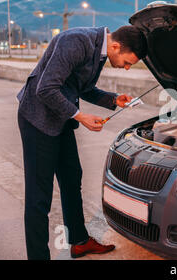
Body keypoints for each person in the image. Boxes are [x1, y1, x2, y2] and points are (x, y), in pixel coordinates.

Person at [16, 25, 147, 260]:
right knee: (39, 197)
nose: (127, 68)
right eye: (128, 62)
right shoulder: (76, 42)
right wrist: (80, 116)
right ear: (116, 46)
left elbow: (83, 88)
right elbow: (45, 88)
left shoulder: (100, 50)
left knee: (71, 178)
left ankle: (79, 242)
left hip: (60, 118)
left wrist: (114, 99)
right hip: (37, 118)